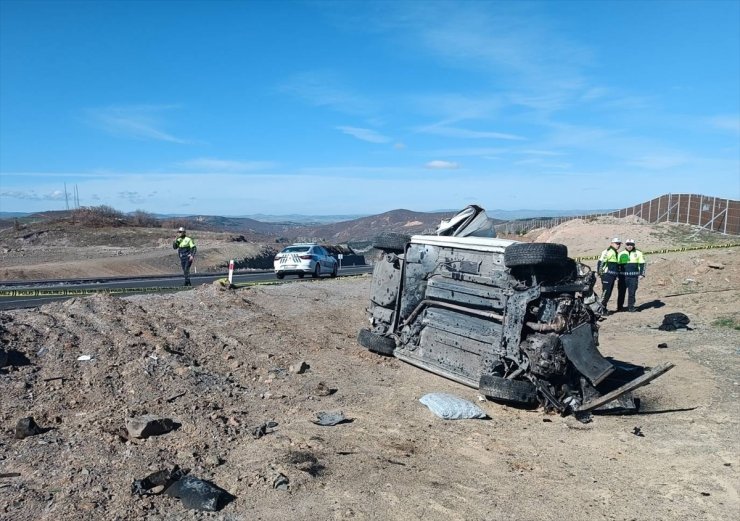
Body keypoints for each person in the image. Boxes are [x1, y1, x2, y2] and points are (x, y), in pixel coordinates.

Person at [617, 239, 646, 312]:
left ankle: (631, 307)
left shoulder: (639, 253)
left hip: (633, 277)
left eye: (631, 244)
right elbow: (617, 266)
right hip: (622, 277)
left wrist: (642, 274)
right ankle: (619, 307)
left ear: (634, 245)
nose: (630, 246)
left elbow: (642, 264)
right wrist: (616, 275)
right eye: (628, 244)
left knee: (632, 293)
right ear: (625, 245)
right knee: (621, 293)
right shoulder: (621, 254)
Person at [596, 237, 621, 313]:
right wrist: (600, 273)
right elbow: (601, 263)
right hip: (607, 276)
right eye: (617, 243)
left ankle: (603, 308)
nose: (618, 245)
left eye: (619, 244)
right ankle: (601, 310)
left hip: (612, 276)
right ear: (612, 243)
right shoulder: (607, 251)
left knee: (608, 293)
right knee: (606, 293)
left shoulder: (615, 252)